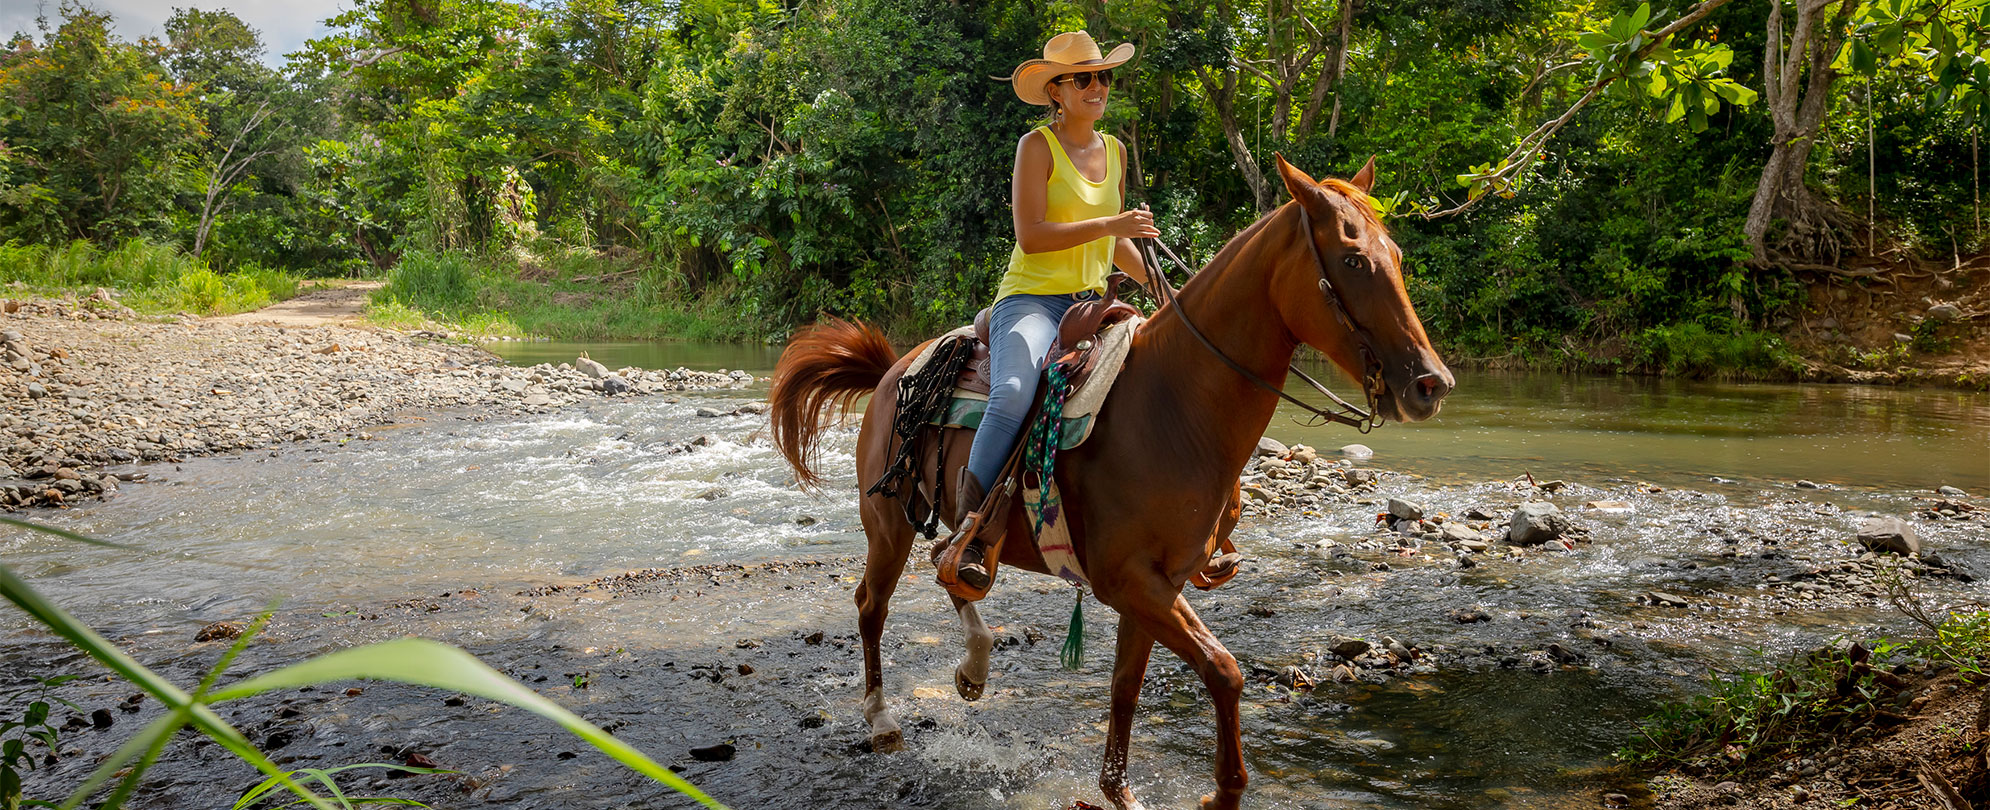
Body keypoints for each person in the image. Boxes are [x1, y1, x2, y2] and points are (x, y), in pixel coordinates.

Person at [939, 31, 1158, 591]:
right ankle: (973, 528)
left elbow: (1115, 244)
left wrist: (1159, 284)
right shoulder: (1036, 147)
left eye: (1103, 76)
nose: (1097, 87)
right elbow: (1032, 236)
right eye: (1083, 78)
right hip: (1033, 300)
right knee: (1013, 391)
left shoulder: (1115, 150)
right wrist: (1113, 225)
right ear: (1056, 92)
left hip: (1092, 303)